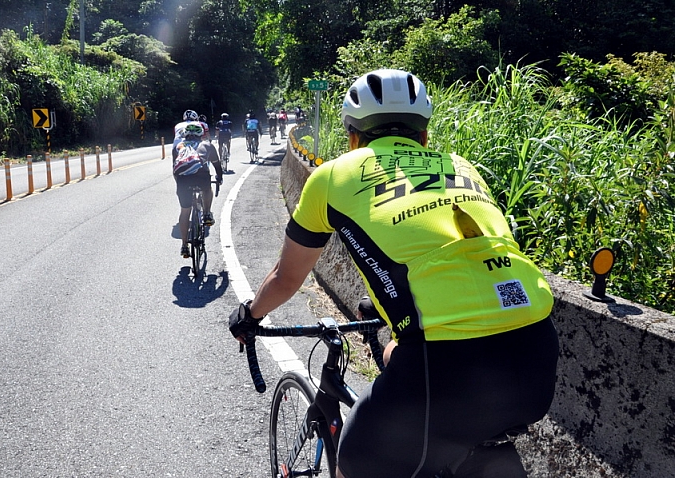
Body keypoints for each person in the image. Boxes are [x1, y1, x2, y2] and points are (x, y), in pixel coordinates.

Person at [229, 69, 559, 478]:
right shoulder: (462, 166)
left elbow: (286, 278)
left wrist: (250, 316)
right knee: (394, 355)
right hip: (536, 354)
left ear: (351, 137)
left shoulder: (332, 175)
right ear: (423, 136)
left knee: (354, 460)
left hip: (445, 362)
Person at [172, 122, 223, 258]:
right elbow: (217, 165)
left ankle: (184, 246)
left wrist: (179, 185)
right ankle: (206, 213)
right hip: (201, 177)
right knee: (207, 189)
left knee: (185, 212)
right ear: (202, 134)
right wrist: (219, 177)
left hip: (183, 181)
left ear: (185, 135)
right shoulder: (207, 145)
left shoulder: (178, 146)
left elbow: (175, 169)